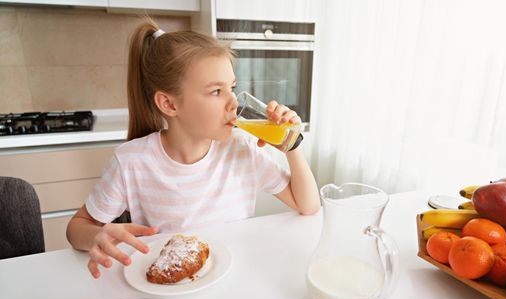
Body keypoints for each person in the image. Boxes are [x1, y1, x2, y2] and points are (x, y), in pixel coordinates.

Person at [66, 19, 320, 278]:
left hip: (237, 280)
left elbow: (308, 205)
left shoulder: (241, 149)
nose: (234, 102)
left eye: (232, 88)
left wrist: (292, 145)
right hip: (173, 291)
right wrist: (97, 235)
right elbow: (77, 228)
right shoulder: (132, 162)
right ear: (169, 104)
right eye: (215, 91)